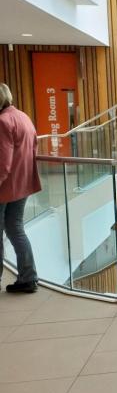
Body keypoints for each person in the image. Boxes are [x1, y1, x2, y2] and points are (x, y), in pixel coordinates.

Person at [0, 83, 42, 293]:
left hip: (4, 187)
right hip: (22, 184)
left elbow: (3, 163)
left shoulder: (3, 121)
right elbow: (34, 147)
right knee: (15, 229)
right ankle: (28, 278)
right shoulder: (23, 117)